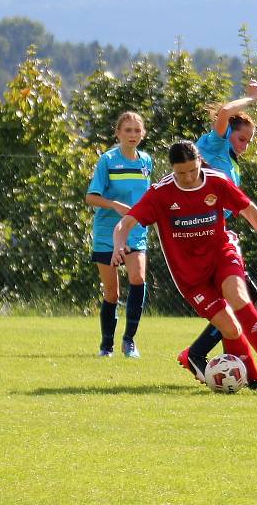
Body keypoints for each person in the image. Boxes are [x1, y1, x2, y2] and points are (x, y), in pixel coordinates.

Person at [110, 140, 257, 392]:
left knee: (239, 297)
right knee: (230, 328)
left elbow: (250, 210)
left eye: (192, 169)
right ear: (172, 169)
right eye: (181, 173)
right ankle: (254, 382)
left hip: (222, 255)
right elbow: (124, 224)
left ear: (200, 161)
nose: (188, 177)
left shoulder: (216, 181)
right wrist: (118, 245)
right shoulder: (161, 193)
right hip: (190, 276)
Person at [187, 80, 257, 385]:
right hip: (198, 237)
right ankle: (200, 355)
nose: (244, 144)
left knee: (244, 298)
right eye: (241, 137)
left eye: (249, 141)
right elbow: (223, 111)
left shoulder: (234, 167)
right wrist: (249, 99)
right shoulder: (215, 144)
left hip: (218, 235)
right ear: (228, 133)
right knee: (239, 300)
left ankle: (198, 354)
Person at [85, 112, 153, 358]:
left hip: (135, 231)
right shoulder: (108, 160)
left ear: (143, 133)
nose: (133, 135)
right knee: (112, 293)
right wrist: (114, 204)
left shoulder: (146, 161)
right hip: (106, 234)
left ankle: (129, 341)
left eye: (137, 130)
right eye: (128, 130)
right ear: (118, 133)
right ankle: (106, 345)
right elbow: (90, 197)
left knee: (138, 277)